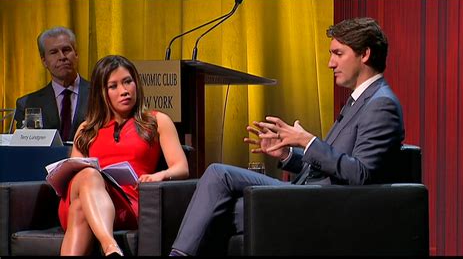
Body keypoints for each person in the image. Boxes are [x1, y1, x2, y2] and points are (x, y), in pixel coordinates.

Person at [169, 17, 405, 256]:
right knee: (221, 195)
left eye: (338, 53)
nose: (330, 63)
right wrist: (287, 153)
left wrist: (307, 141)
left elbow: (361, 174)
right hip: (307, 193)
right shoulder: (360, 101)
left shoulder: (380, 104)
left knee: (220, 181)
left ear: (364, 54)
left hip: (323, 205)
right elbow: (329, 165)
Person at [59, 55, 189, 256]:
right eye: (113, 86)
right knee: (88, 175)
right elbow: (75, 170)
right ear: (101, 93)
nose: (124, 91)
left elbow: (181, 167)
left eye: (128, 82)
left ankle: (109, 246)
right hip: (83, 192)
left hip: (126, 204)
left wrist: (159, 175)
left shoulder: (156, 121)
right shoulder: (86, 129)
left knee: (80, 208)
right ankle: (110, 246)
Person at [14, 26, 90, 142]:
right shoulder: (27, 104)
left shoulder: (100, 94)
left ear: (76, 54)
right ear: (44, 61)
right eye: (54, 52)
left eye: (66, 50)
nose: (62, 57)